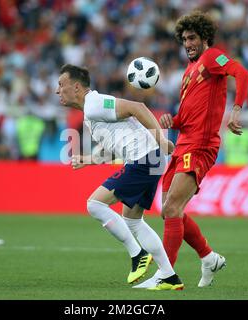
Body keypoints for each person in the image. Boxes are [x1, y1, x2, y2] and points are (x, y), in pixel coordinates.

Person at [138, 11, 248, 288]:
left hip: (200, 145)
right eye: (184, 39)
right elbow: (190, 114)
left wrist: (236, 111)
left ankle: (166, 275)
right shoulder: (190, 70)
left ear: (204, 38)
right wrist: (171, 120)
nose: (187, 43)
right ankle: (209, 257)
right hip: (183, 143)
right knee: (168, 210)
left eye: (192, 38)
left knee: (173, 207)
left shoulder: (212, 58)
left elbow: (242, 73)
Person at [56, 64, 184, 290]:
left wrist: (161, 140)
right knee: (133, 220)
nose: (57, 91)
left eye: (61, 85)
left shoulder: (94, 104)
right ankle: (168, 275)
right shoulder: (90, 115)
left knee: (94, 204)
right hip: (150, 160)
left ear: (76, 87)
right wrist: (88, 159)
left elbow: (138, 107)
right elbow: (114, 147)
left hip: (144, 157)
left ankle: (138, 255)